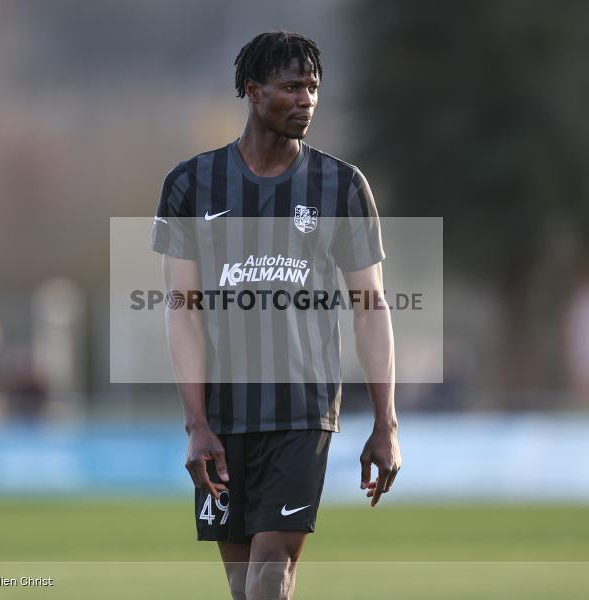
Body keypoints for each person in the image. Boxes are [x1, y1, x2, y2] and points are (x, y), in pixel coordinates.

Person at [150, 31, 401, 600]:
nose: (306, 99)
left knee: (271, 566)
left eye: (313, 88)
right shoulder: (189, 185)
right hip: (222, 414)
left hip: (301, 410)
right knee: (241, 580)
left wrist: (386, 421)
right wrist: (196, 424)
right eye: (291, 87)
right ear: (252, 90)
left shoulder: (341, 186)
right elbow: (181, 309)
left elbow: (371, 306)